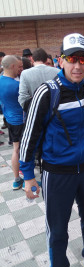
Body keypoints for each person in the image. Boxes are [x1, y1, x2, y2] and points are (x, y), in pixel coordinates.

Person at [19, 33, 84, 267]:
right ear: (60, 60)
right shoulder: (46, 92)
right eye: (71, 59)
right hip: (57, 174)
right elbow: (29, 135)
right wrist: (28, 175)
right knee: (58, 229)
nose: (77, 65)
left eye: (83, 59)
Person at [0, 55, 24, 189]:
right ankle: (27, 178)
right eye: (19, 66)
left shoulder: (0, 81)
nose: (20, 69)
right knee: (24, 150)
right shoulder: (16, 85)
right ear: (13, 66)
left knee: (16, 149)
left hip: (10, 120)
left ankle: (17, 179)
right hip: (20, 121)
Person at [18, 48, 60, 112]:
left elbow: (22, 98)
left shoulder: (25, 73)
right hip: (55, 111)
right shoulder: (57, 71)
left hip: (35, 112)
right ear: (46, 59)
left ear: (32, 59)